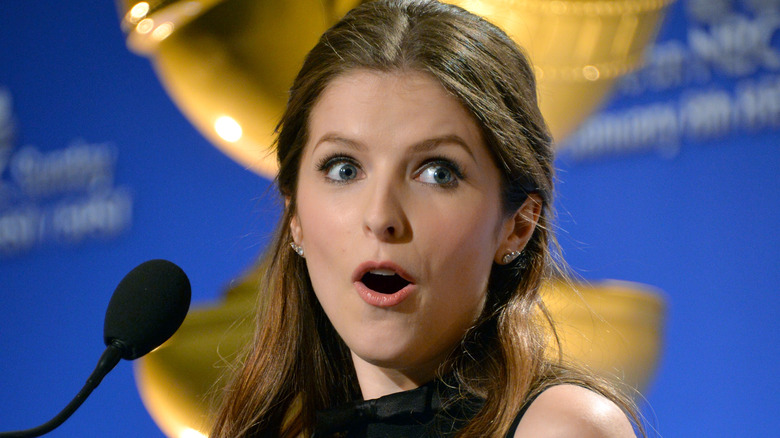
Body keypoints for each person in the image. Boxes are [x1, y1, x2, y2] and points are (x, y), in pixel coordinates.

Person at [210, 1, 643, 437]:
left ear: (518, 226)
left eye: (438, 173)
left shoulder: (561, 429)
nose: (381, 217)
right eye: (344, 168)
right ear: (294, 217)